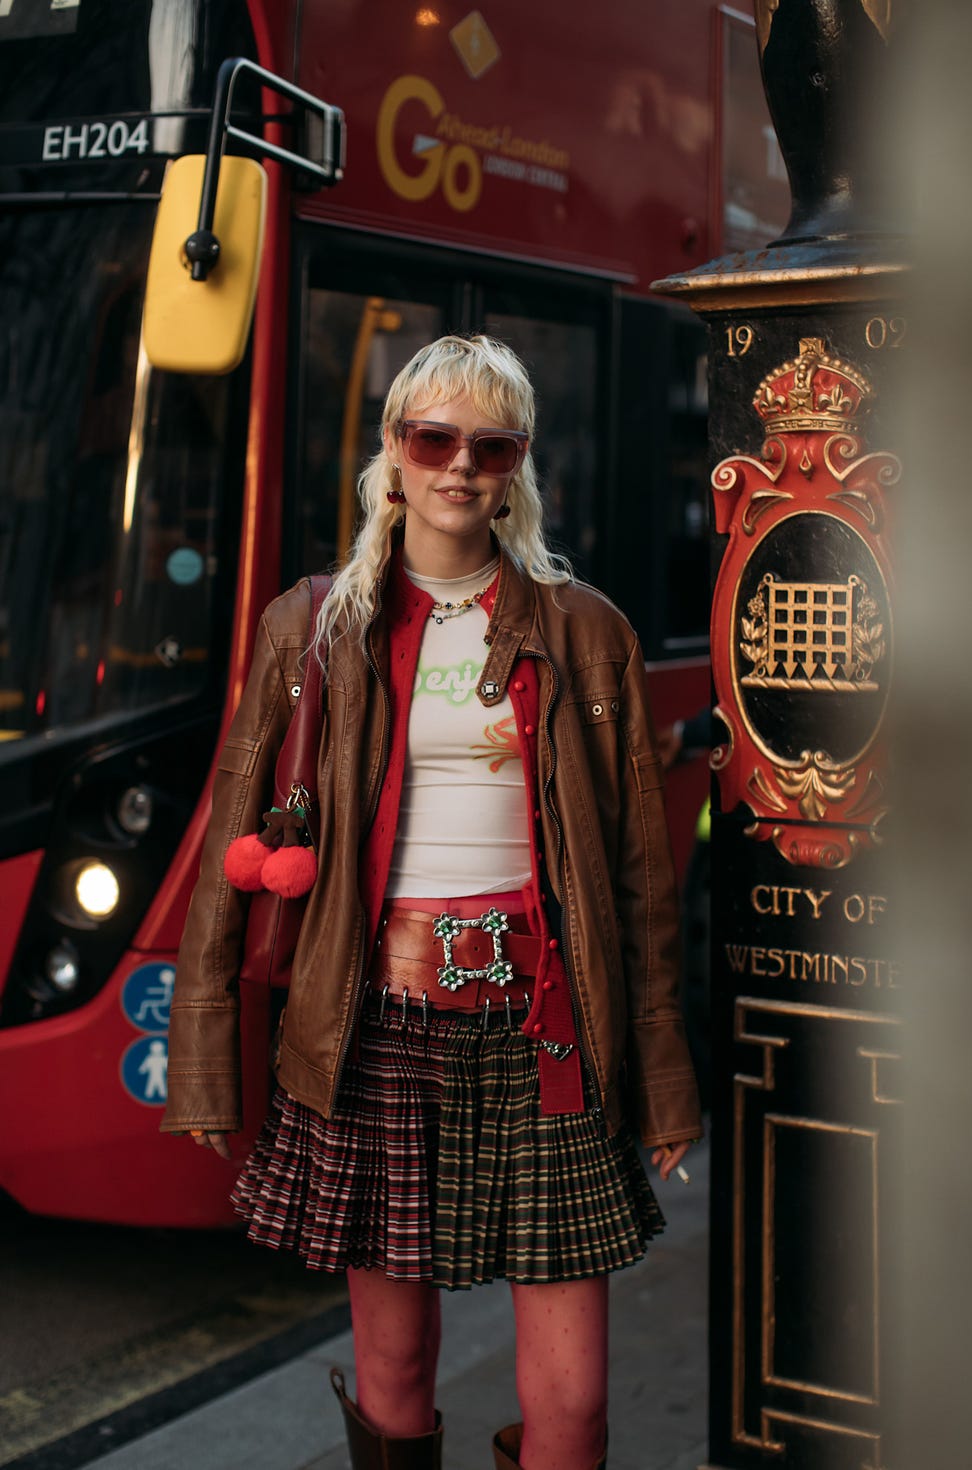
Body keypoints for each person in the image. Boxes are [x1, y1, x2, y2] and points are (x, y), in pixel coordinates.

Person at [162, 335, 702, 1470]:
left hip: (549, 1033)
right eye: (434, 439)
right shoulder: (310, 628)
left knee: (576, 1405)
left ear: (516, 468)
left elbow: (639, 882)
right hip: (377, 1032)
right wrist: (206, 1050)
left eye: (489, 444)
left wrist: (661, 1083)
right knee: (395, 1378)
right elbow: (231, 838)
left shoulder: (583, 630)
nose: (460, 466)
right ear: (392, 459)